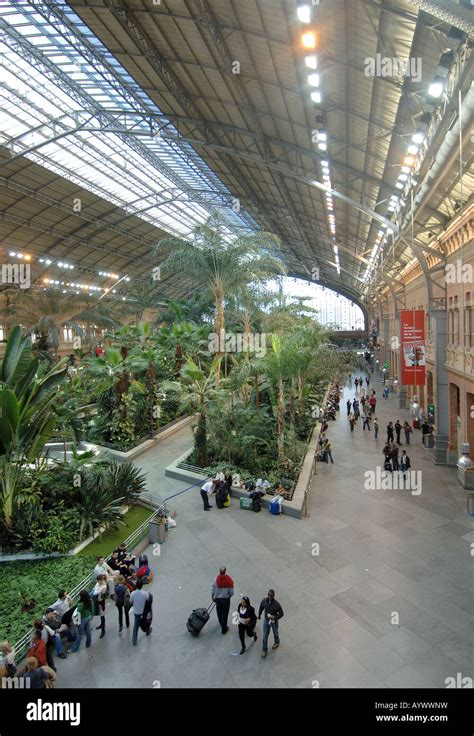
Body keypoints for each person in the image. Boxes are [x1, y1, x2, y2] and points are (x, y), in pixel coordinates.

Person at [258, 590, 284, 659]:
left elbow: (281, 614)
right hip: (266, 621)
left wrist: (275, 618)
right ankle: (264, 649)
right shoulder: (264, 601)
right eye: (268, 595)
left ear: (273, 596)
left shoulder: (277, 604)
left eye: (271, 596)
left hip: (274, 622)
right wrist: (259, 614)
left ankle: (277, 642)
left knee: (275, 633)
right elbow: (261, 608)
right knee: (265, 635)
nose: (269, 597)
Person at [211, 566, 234, 635]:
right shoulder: (229, 580)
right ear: (225, 571)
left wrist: (212, 596)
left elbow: (213, 589)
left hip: (218, 599)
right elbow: (232, 592)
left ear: (219, 572)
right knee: (225, 613)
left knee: (219, 612)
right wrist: (229, 596)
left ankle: (221, 622)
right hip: (225, 600)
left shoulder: (216, 579)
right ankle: (224, 628)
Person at [130, 577, 151, 646]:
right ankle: (147, 631)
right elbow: (148, 599)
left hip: (136, 612)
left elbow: (131, 602)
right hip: (143, 611)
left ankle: (134, 640)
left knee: (136, 625)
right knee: (146, 622)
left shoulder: (132, 593)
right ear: (142, 585)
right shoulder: (145, 593)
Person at [92, 574, 108, 639]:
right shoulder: (99, 584)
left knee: (102, 615)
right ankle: (102, 625)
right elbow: (94, 589)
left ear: (100, 580)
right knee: (101, 614)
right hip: (98, 601)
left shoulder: (103, 586)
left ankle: (103, 630)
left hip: (101, 602)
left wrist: (96, 588)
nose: (97, 582)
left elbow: (95, 592)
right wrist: (96, 588)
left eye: (98, 581)